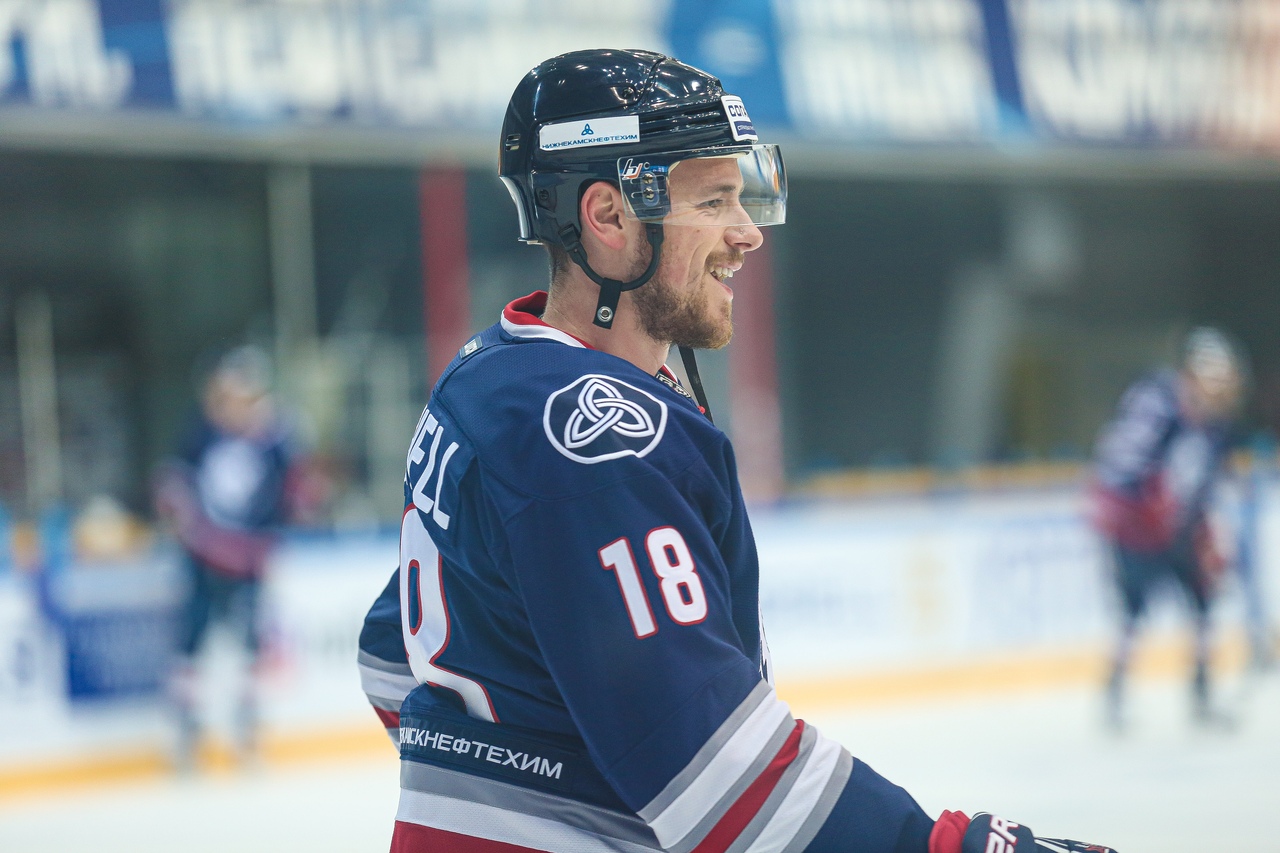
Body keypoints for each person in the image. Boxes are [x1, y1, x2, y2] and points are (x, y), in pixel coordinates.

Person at [358, 49, 1117, 853]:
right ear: (609, 216)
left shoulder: (488, 378)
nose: (747, 231)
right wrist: (946, 845)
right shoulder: (591, 439)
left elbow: (389, 655)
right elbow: (723, 781)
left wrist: (517, 783)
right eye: (713, 200)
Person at [156, 345, 303, 768]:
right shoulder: (200, 434)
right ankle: (187, 732)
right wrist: (184, 522)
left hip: (249, 559)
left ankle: (248, 731)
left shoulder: (274, 440)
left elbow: (294, 492)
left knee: (252, 642)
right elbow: (173, 484)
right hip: (203, 556)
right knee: (192, 640)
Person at [1091, 327, 1245, 730]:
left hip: (1183, 528)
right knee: (1132, 612)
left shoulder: (1215, 422)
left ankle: (1201, 692)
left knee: (1204, 605)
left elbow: (1209, 476)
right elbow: (1121, 463)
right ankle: (1116, 696)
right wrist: (1138, 511)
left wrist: (1206, 526)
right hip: (1140, 527)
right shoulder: (1157, 402)